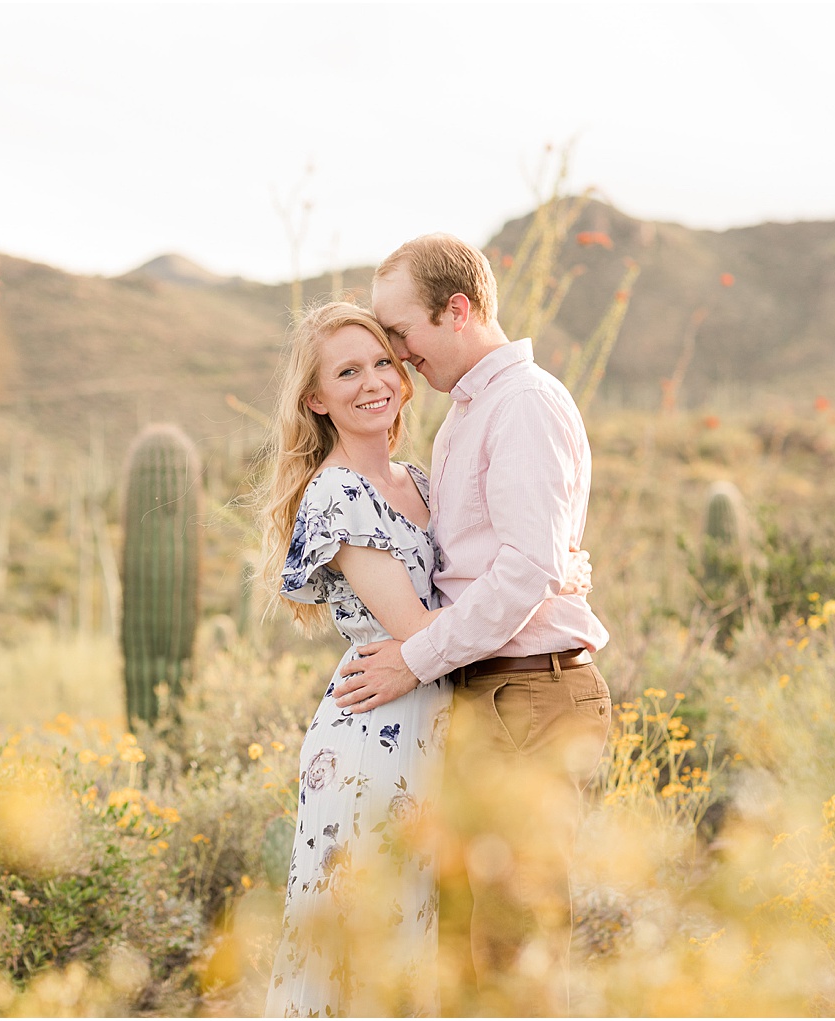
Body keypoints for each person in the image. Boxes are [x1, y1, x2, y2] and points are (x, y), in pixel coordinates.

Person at [331, 233, 612, 1016]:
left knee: (510, 944)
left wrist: (415, 657)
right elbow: (501, 562)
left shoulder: (522, 403)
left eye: (401, 332)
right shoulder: (466, 418)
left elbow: (523, 569)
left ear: (456, 310)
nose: (396, 354)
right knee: (460, 941)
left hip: (529, 699)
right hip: (487, 694)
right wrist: (554, 571)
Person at [258, 300, 453, 1017]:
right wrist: (537, 596)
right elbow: (418, 626)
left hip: (431, 731)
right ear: (316, 398)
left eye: (381, 362)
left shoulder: (421, 481)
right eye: (347, 371)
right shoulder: (337, 494)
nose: (373, 382)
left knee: (413, 940)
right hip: (372, 738)